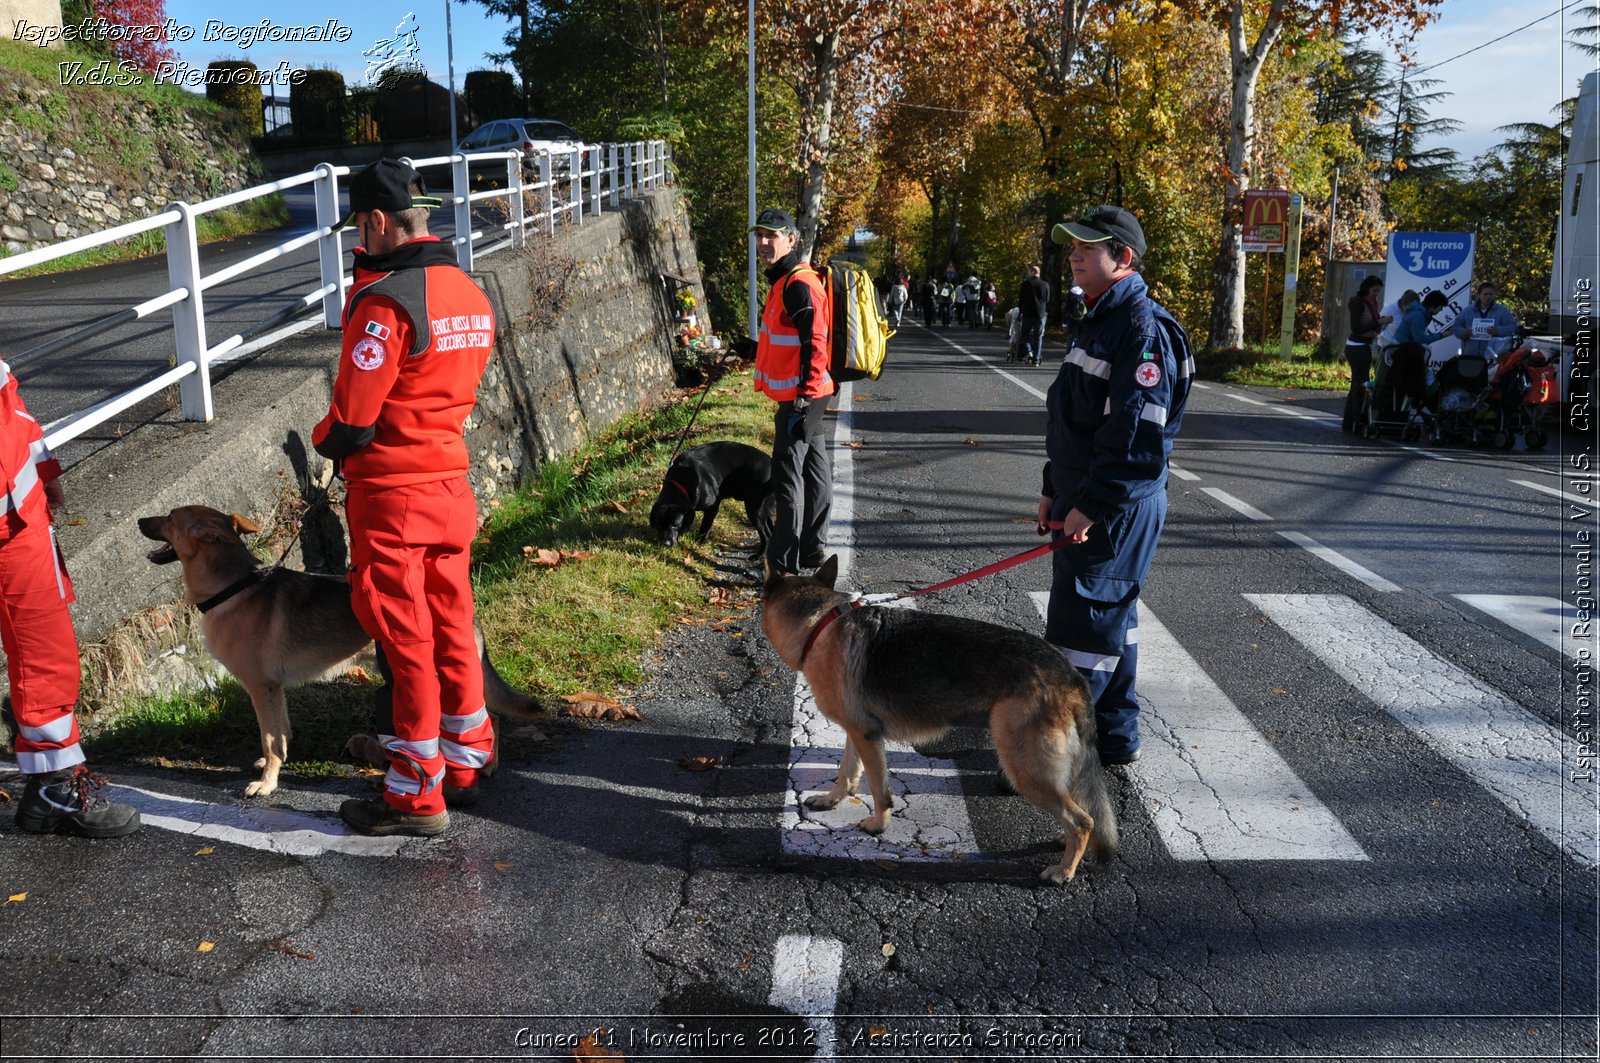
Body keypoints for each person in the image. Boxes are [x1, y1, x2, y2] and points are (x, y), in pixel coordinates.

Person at [312, 158, 498, 838]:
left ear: (378, 221)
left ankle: (416, 791)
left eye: (359, 231)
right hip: (451, 484)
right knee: (452, 621)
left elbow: (354, 421)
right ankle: (468, 758)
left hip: (393, 497)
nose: (358, 245)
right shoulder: (471, 294)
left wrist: (322, 436)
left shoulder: (385, 301)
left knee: (404, 636)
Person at [1037, 206, 1192, 766]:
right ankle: (1117, 737)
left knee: (1084, 631)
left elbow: (1135, 437)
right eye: (1071, 244)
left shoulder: (1138, 329)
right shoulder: (1099, 319)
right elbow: (1074, 423)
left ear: (1122, 258)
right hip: (1089, 500)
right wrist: (1054, 488)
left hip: (1115, 506)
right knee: (1111, 623)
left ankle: (1055, 757)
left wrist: (1094, 504)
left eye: (1087, 246)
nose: (1074, 254)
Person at [3, 363, 142, 838]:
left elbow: (11, 410)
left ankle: (53, 787)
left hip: (19, 525)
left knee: (48, 653)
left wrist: (44, 471)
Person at [749, 207, 835, 576]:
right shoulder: (784, 282)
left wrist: (802, 397)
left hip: (802, 397)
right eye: (760, 235)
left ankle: (782, 565)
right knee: (816, 471)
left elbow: (815, 343)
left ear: (792, 239)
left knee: (788, 480)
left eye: (773, 235)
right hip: (812, 393)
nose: (765, 243)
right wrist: (749, 350)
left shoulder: (798, 283)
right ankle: (813, 551)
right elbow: (787, 343)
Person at [1343, 276, 1390, 433]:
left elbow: (1371, 323)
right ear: (1367, 288)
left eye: (1378, 291)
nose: (1376, 294)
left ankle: (1353, 420)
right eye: (1374, 290)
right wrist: (1379, 323)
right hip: (1357, 346)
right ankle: (1353, 420)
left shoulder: (1372, 303)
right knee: (1359, 384)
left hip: (1365, 345)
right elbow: (1357, 328)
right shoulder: (1358, 303)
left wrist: (1379, 324)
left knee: (1359, 384)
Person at [1447, 282, 1519, 360]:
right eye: (1485, 294)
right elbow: (1456, 327)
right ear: (1479, 295)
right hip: (1470, 356)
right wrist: (1465, 332)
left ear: (1494, 295)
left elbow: (1513, 326)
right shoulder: (1468, 310)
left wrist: (1498, 330)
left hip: (1493, 358)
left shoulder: (1502, 311)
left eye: (1491, 294)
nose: (1488, 297)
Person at [1017, 264, 1050, 365]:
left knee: (1025, 334)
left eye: (1029, 272)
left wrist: (1020, 310)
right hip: (1040, 313)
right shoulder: (1045, 285)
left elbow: (1021, 299)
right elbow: (1047, 299)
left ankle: (1029, 350)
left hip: (1028, 312)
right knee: (1038, 336)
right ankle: (1036, 360)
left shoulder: (1026, 284)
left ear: (1032, 272)